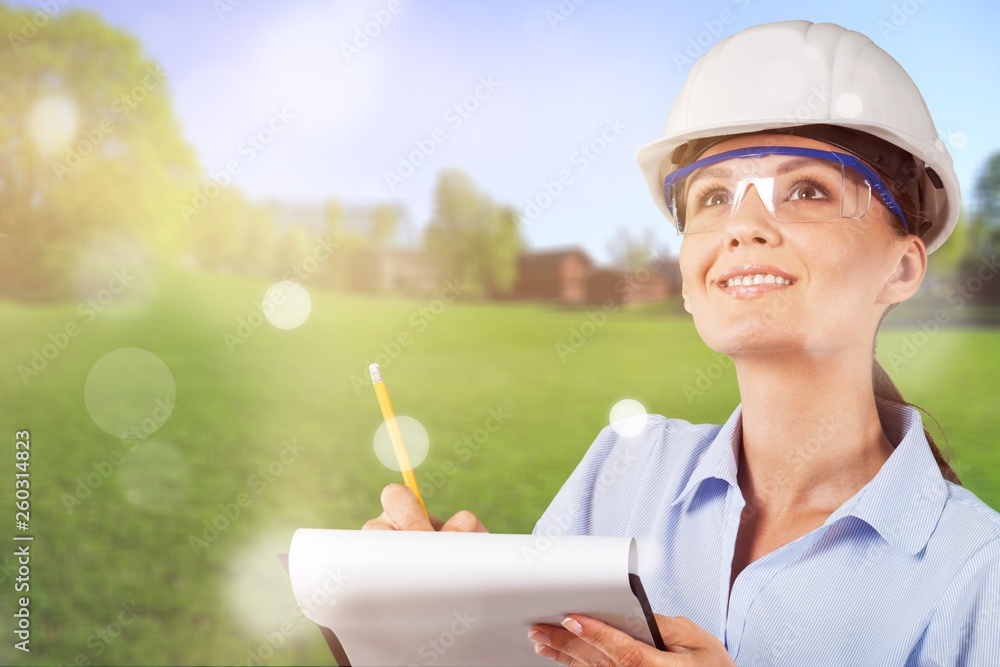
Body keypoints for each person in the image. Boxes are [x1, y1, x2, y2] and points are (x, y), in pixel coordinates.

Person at [363, 20, 1000, 666]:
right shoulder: (620, 473)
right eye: (714, 196)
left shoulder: (978, 576)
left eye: (806, 189)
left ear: (903, 269)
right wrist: (452, 631)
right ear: (692, 281)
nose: (744, 225)